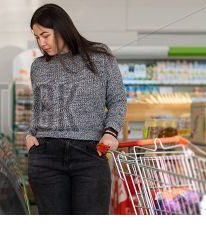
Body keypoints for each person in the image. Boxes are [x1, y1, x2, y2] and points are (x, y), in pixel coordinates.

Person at [25, 4, 127, 215]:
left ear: (62, 28)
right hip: (46, 155)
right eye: (37, 37)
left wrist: (111, 132)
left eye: (45, 35)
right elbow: (39, 108)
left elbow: (117, 100)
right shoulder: (38, 67)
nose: (41, 43)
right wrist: (30, 134)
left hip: (90, 154)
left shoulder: (100, 56)